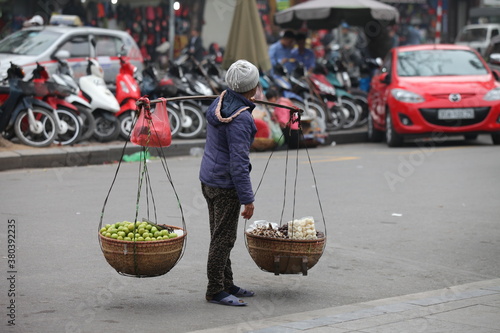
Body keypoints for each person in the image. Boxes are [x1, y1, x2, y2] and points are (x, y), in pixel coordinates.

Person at [199, 59, 259, 306]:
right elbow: (238, 163)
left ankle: (227, 283)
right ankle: (215, 289)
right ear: (253, 88)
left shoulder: (221, 101)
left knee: (220, 234)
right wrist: (248, 198)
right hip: (225, 185)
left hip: (209, 179)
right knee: (223, 239)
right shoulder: (241, 119)